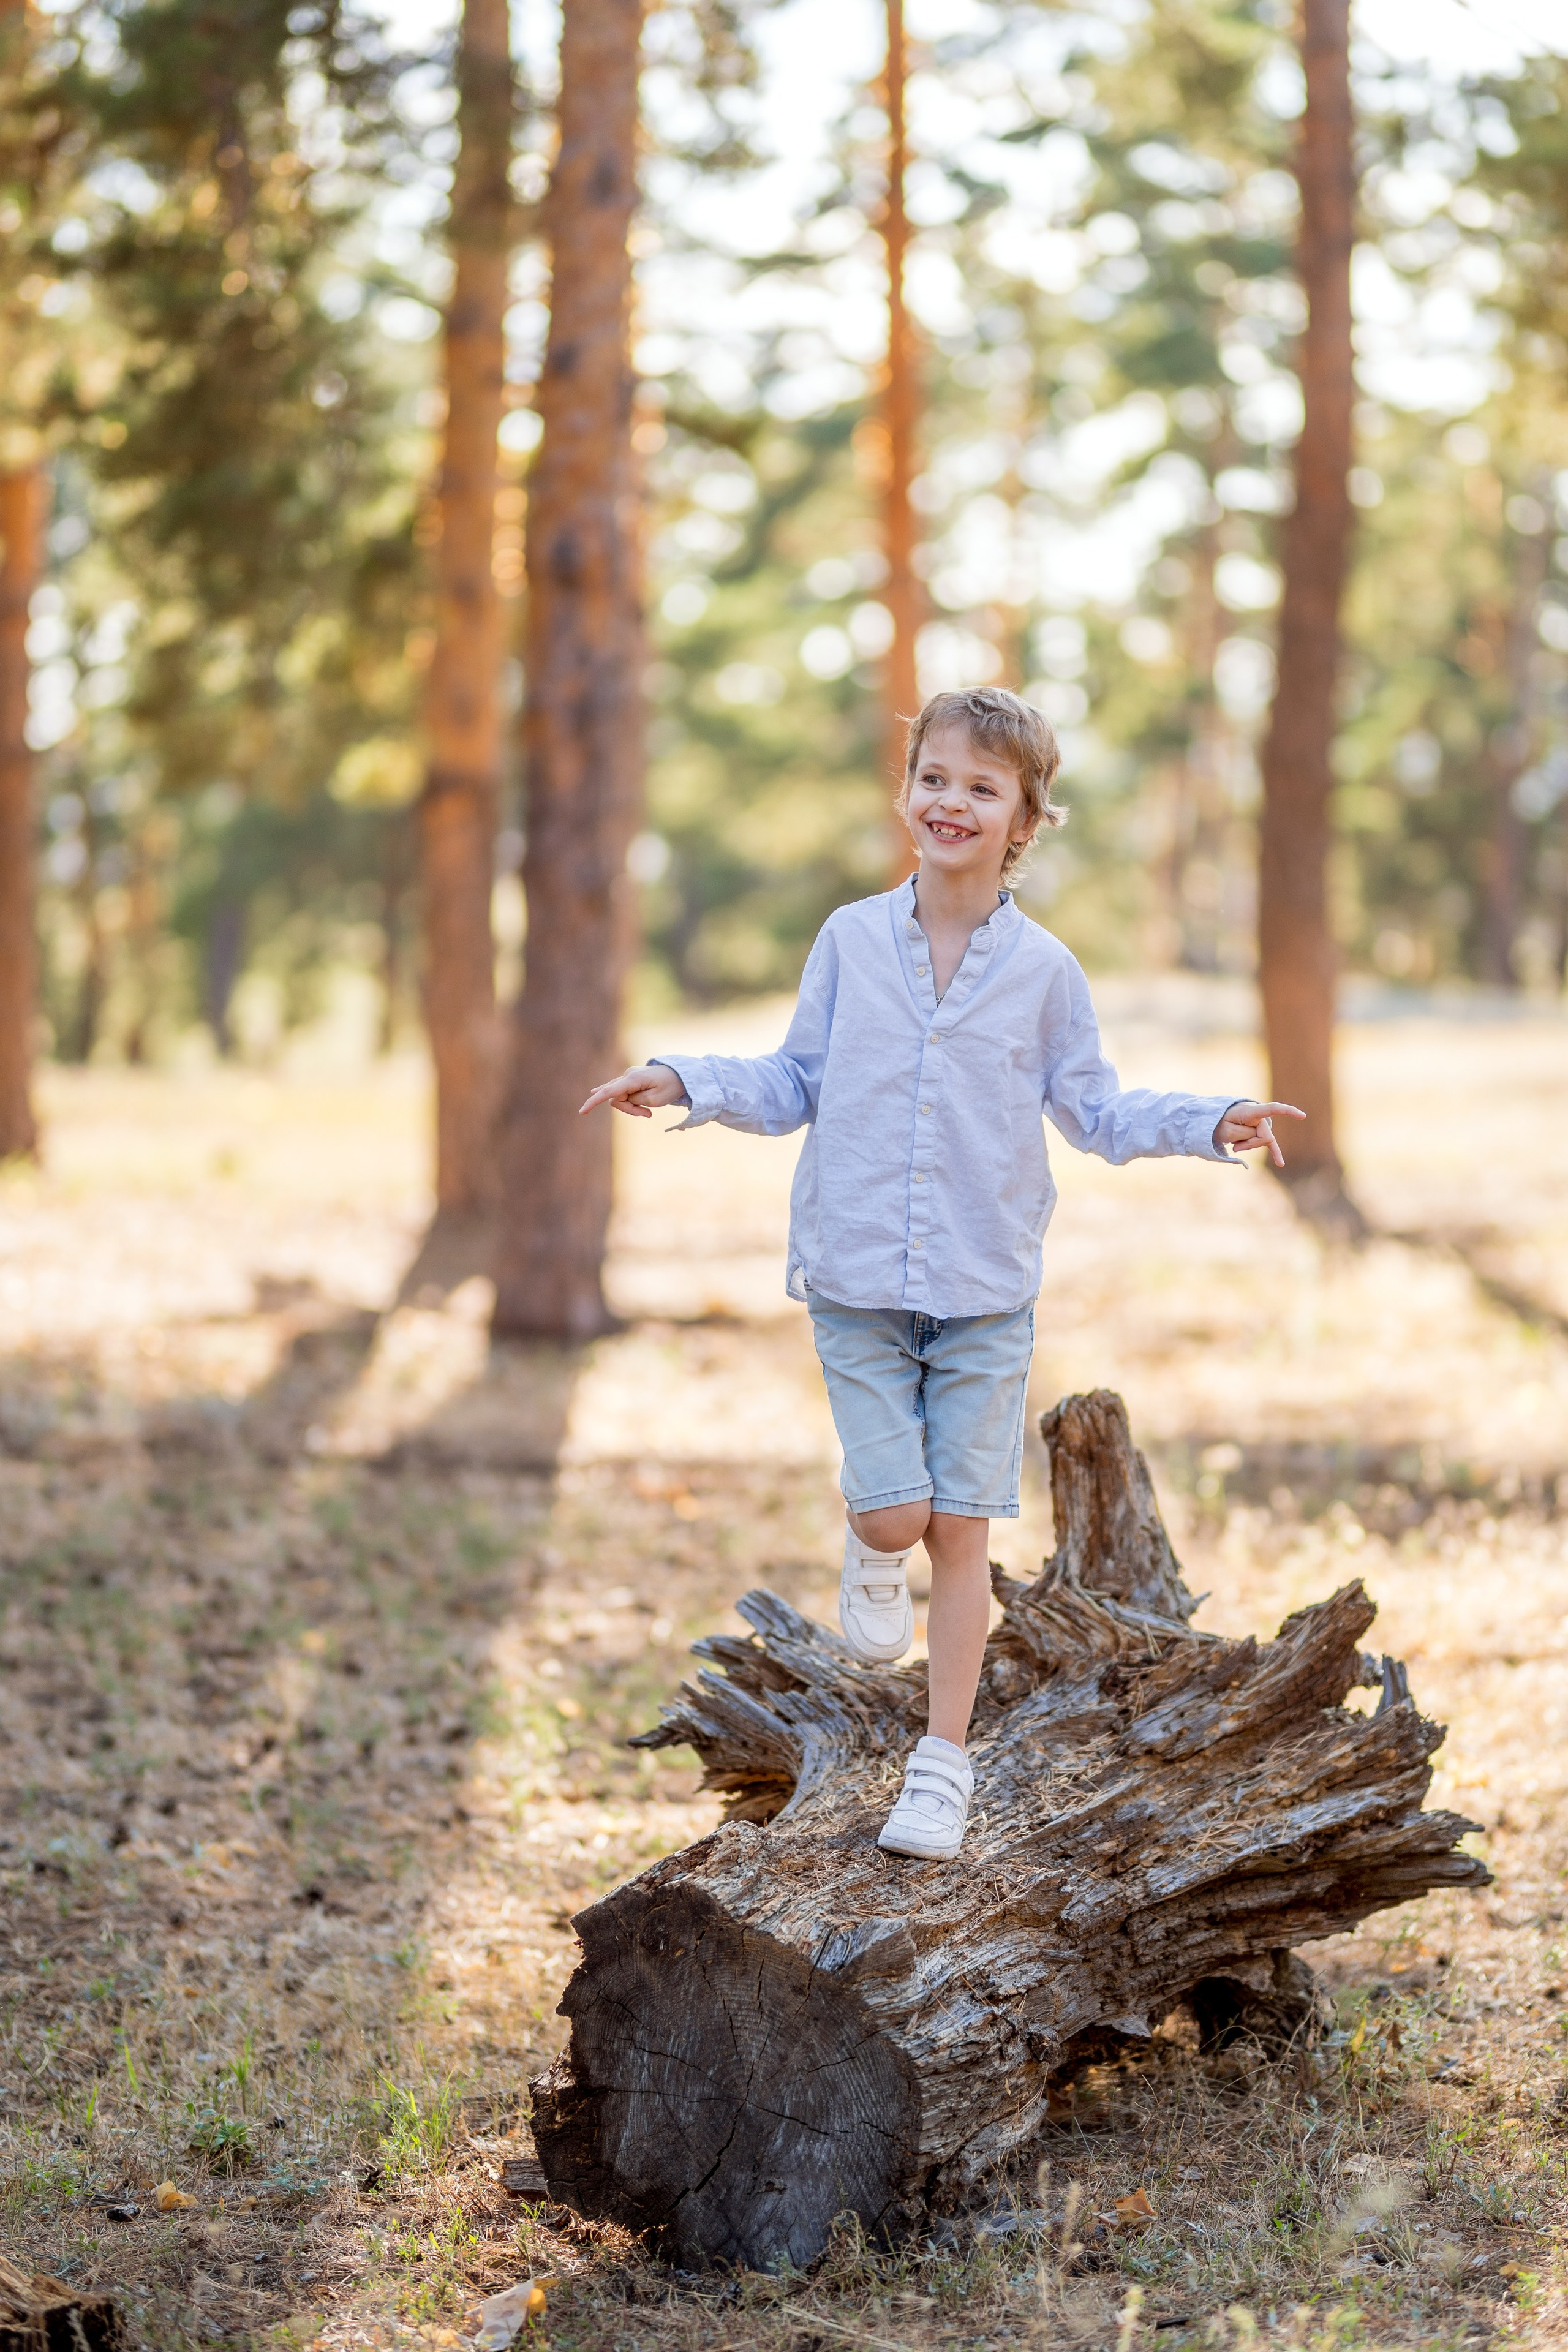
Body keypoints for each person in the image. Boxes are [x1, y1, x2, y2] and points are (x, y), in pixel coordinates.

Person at [579, 686, 1300, 1861]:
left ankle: (942, 1763)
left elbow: (1100, 1110)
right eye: (935, 778)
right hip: (858, 1279)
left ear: (1025, 819)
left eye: (983, 787)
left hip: (984, 1291)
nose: (951, 801)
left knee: (960, 1534)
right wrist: (687, 1081)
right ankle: (870, 1539)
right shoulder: (851, 941)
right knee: (898, 1512)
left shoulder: (1047, 973)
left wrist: (1211, 1118)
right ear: (907, 791)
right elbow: (792, 1079)